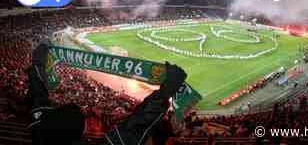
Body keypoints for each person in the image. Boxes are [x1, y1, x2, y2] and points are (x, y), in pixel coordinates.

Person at [26, 42, 188, 145]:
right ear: (83, 130)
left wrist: (37, 65)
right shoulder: (38, 125)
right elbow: (134, 128)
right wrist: (38, 64)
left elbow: (37, 96)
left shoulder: (39, 130)